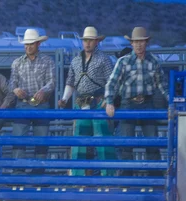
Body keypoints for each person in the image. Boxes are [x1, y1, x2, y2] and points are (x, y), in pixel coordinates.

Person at [105, 27, 168, 176]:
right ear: (132, 43)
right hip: (128, 104)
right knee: (126, 143)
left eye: (142, 42)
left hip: (148, 103)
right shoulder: (123, 62)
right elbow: (111, 83)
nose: (139, 45)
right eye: (136, 42)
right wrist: (109, 101)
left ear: (147, 43)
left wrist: (172, 102)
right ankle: (127, 178)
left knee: (152, 143)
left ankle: (155, 177)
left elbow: (162, 85)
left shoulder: (154, 62)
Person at [58, 26, 115, 176]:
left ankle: (108, 177)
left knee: (103, 140)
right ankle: (78, 176)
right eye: (85, 40)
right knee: (79, 141)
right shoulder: (76, 60)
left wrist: (108, 100)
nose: (87, 43)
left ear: (96, 42)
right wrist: (64, 99)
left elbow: (111, 81)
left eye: (90, 40)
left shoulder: (104, 59)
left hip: (98, 102)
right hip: (81, 102)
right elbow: (70, 82)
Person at [9, 28, 55, 174]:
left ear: (38, 44)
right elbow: (12, 83)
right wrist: (16, 90)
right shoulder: (17, 63)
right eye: (26, 44)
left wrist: (44, 91)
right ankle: (18, 172)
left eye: (31, 44)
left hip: (41, 104)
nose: (28, 47)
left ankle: (39, 172)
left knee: (41, 141)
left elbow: (52, 82)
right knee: (19, 139)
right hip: (23, 103)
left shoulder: (48, 61)